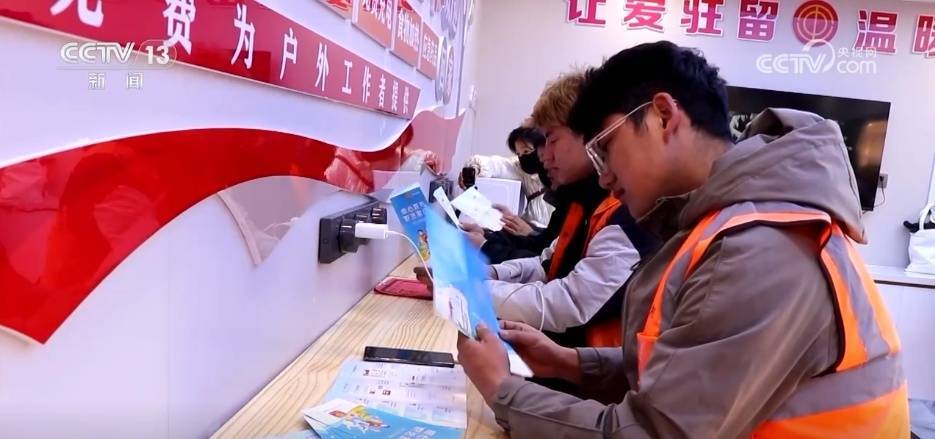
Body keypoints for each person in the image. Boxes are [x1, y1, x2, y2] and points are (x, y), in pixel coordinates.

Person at [456, 41, 908, 438]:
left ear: (663, 116)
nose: (604, 176)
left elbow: (658, 431)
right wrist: (572, 362)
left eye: (605, 148)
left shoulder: (761, 248)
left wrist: (502, 388)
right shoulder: (718, 224)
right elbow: (688, 369)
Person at [482, 71, 657, 348]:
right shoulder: (582, 203)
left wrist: (475, 290)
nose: (545, 156)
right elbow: (546, 264)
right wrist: (489, 274)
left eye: (552, 140)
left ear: (589, 135)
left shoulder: (627, 212)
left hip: (590, 370)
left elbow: (571, 302)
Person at [460, 126, 553, 230]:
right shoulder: (521, 170)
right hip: (531, 230)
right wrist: (474, 169)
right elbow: (496, 165)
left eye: (526, 151)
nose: (523, 157)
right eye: (519, 154)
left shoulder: (557, 169)